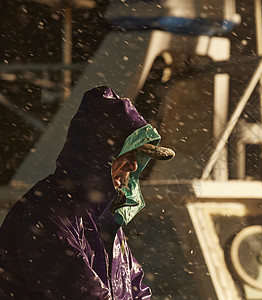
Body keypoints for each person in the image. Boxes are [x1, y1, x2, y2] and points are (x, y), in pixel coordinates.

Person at [0, 86, 174, 299]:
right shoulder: (48, 214)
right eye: (126, 154)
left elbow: (135, 289)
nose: (133, 166)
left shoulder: (104, 215)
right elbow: (82, 293)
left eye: (137, 156)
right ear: (99, 155)